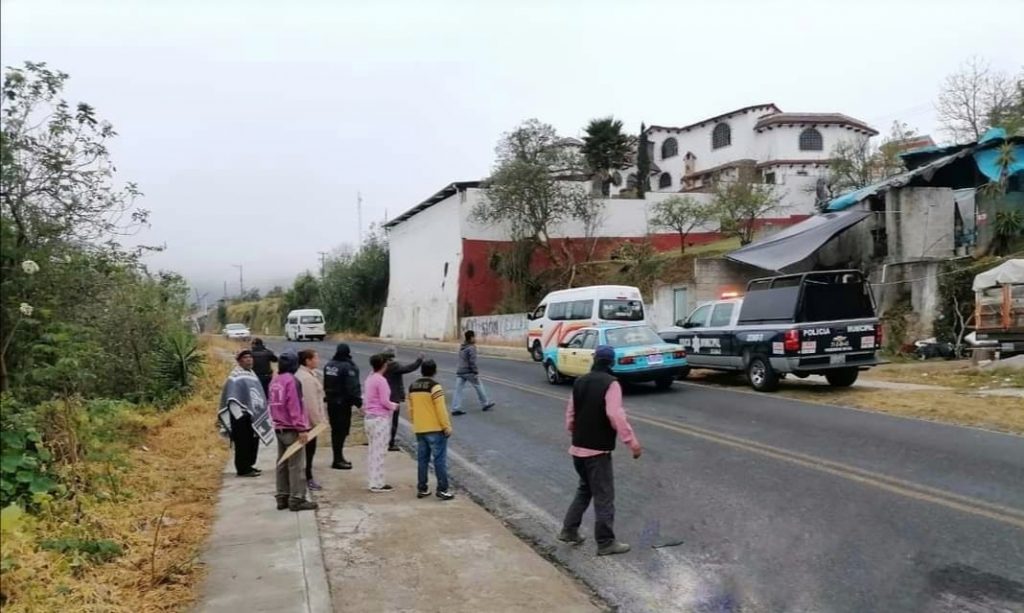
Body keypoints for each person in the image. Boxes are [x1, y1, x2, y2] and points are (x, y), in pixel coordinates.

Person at [558, 345, 642, 556]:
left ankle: (569, 530)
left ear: (594, 359)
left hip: (578, 448)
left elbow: (570, 414)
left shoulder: (579, 382)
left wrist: (575, 433)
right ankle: (605, 542)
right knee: (604, 495)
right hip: (597, 451)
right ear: (611, 362)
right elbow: (615, 415)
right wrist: (631, 442)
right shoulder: (611, 384)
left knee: (585, 489)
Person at [268, 350, 317, 512]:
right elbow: (294, 406)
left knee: (281, 463)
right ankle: (297, 498)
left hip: (279, 427)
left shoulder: (275, 381)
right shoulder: (292, 381)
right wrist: (302, 428)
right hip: (291, 429)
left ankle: (282, 496)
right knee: (296, 465)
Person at [217, 349, 274, 477]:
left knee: (253, 441)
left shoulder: (251, 374)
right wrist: (240, 416)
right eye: (245, 358)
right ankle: (243, 469)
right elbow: (232, 398)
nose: (249, 359)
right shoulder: (235, 376)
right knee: (243, 443)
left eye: (250, 357)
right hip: (240, 416)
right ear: (239, 361)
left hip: (252, 414)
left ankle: (250, 465)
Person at [407, 360, 454, 500]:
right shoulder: (435, 387)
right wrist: (447, 426)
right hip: (435, 429)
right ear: (434, 371)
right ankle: (442, 489)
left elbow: (410, 409)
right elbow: (441, 409)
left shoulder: (412, 387)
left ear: (421, 370)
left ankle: (422, 488)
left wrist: (415, 422)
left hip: (420, 429)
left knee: (422, 460)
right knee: (439, 460)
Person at [323, 343, 362, 470]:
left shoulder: (329, 365)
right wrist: (359, 402)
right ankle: (337, 459)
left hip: (331, 402)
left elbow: (325, 383)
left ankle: (338, 457)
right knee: (341, 432)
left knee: (335, 431)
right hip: (342, 404)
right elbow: (353, 387)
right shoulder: (348, 367)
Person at [363, 353, 398, 492]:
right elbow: (384, 401)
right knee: (380, 451)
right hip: (380, 418)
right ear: (384, 365)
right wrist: (394, 406)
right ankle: (377, 483)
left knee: (373, 450)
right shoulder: (381, 380)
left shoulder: (369, 378)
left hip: (369, 417)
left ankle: (373, 480)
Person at [295, 349, 327, 491]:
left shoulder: (306, 374)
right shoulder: (306, 378)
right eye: (316, 358)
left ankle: (305, 476)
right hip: (308, 423)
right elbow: (310, 404)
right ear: (307, 361)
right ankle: (307, 478)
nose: (318, 360)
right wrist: (319, 423)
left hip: (306, 422)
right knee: (308, 452)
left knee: (307, 452)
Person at [382, 346, 423, 451]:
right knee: (393, 421)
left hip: (384, 395)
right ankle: (390, 443)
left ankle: (383, 440)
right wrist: (419, 361)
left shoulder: (382, 364)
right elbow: (408, 368)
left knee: (384, 420)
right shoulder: (393, 365)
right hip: (393, 396)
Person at [452, 330, 495, 416]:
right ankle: (485, 403)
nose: (475, 338)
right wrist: (475, 371)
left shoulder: (462, 346)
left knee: (458, 390)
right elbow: (472, 361)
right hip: (468, 371)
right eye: (474, 337)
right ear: (471, 338)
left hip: (460, 371)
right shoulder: (472, 347)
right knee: (479, 386)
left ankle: (455, 408)